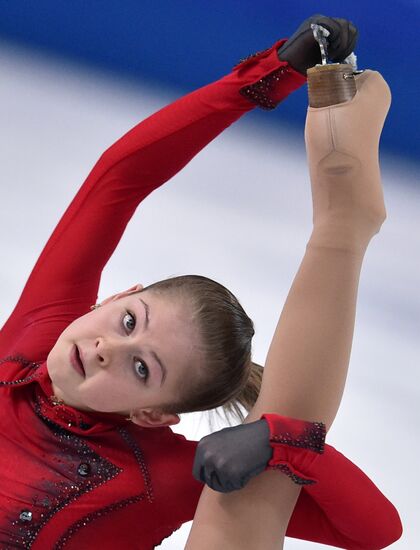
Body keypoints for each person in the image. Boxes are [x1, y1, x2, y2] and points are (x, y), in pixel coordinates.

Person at [0, 14, 402, 550]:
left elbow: (375, 532)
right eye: (127, 322)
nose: (104, 350)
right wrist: (268, 74)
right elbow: (120, 178)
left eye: (142, 368)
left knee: (238, 516)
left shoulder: (163, 476)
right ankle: (343, 221)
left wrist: (278, 443)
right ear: (121, 295)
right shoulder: (39, 332)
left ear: (153, 414)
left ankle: (341, 229)